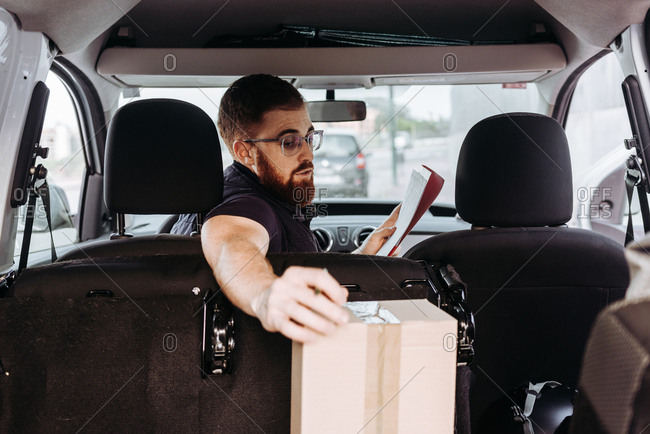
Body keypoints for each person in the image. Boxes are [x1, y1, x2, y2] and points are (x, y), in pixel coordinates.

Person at [187, 74, 401, 343]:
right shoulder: (247, 205)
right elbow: (231, 246)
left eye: (310, 138)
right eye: (289, 142)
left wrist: (363, 255)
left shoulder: (206, 200)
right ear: (244, 153)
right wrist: (264, 295)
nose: (309, 155)